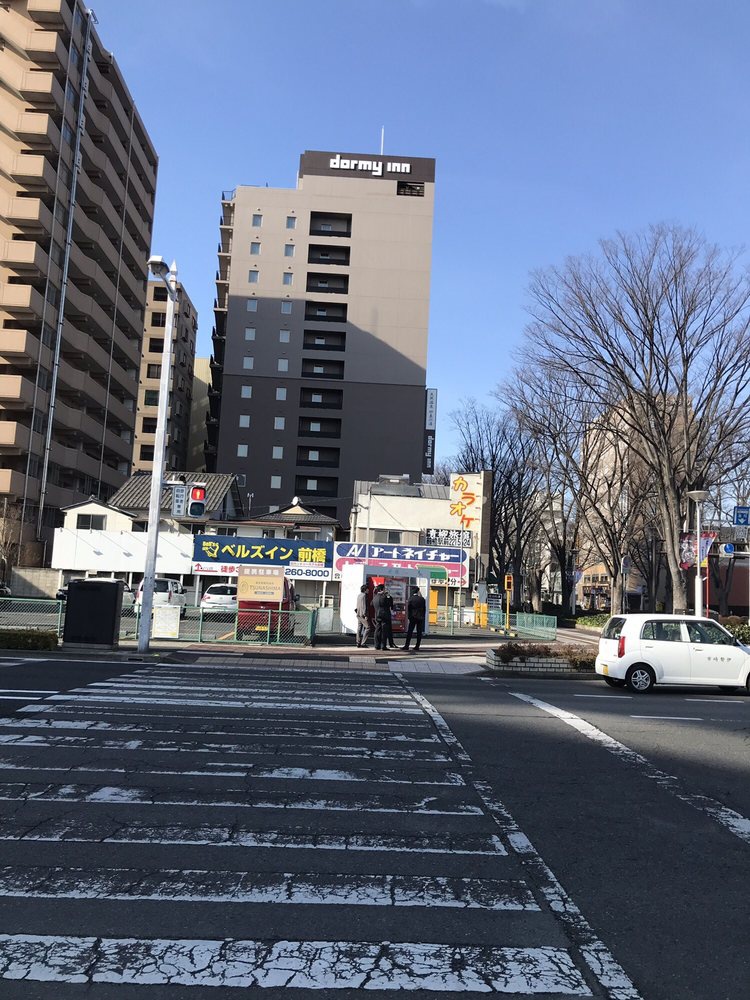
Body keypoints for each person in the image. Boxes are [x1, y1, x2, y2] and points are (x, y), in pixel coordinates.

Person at [401, 586, 426, 652]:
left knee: (410, 631)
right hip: (420, 617)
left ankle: (407, 645)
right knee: (419, 632)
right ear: (418, 591)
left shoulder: (411, 599)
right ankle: (417, 646)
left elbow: (408, 609)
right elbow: (424, 609)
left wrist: (409, 617)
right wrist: (423, 616)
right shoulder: (422, 599)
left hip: (413, 617)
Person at [372, 583, 392, 650]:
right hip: (384, 615)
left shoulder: (375, 597)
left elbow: (371, 604)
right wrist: (388, 595)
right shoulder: (385, 597)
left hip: (377, 615)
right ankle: (383, 646)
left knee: (377, 630)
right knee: (384, 631)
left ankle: (377, 645)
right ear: (382, 589)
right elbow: (390, 603)